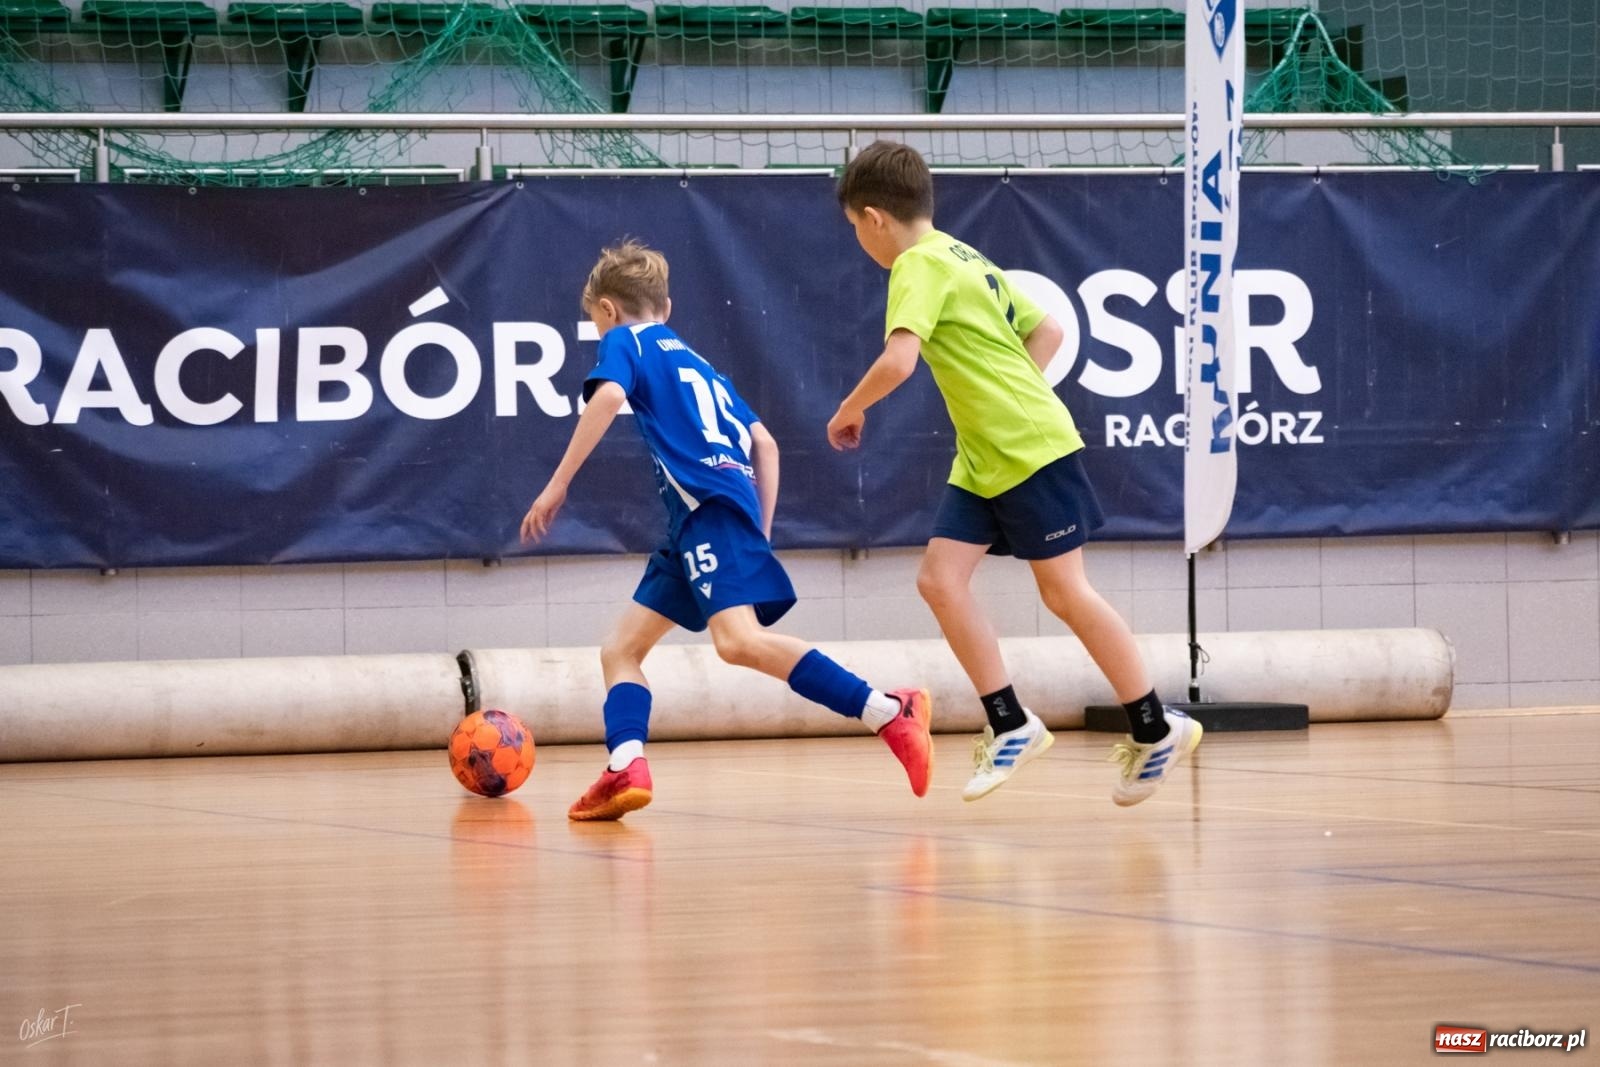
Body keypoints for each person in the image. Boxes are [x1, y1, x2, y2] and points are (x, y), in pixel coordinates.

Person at [827, 141, 1200, 806]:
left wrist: (850, 409)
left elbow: (900, 361)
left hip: (1026, 447)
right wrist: (1000, 389)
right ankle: (1011, 722)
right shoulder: (963, 256)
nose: (859, 241)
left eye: (855, 227)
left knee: (1065, 592)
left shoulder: (915, 264)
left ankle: (1155, 723)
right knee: (940, 579)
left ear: (876, 217)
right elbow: (1049, 331)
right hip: (984, 456)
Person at [521, 238, 932, 821]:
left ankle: (889, 710)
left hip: (708, 510)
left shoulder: (624, 341)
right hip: (699, 520)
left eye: (595, 322)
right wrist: (759, 533)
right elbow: (764, 444)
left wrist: (558, 482)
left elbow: (609, 395)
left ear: (609, 311)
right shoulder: (700, 364)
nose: (599, 332)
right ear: (667, 308)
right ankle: (625, 766)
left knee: (737, 643)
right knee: (621, 650)